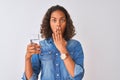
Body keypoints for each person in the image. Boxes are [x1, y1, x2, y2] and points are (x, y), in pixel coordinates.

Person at [22, 5, 84, 80]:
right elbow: (31, 78)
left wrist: (62, 49)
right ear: (49, 23)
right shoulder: (41, 46)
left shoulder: (75, 45)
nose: (58, 24)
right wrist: (27, 58)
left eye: (62, 20)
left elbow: (78, 76)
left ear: (66, 23)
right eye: (54, 20)